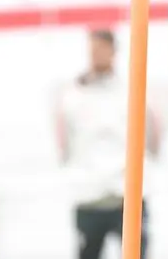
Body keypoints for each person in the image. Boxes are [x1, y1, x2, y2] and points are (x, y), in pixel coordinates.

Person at [55, 28, 161, 259]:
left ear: (114, 51)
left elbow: (153, 135)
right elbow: (63, 144)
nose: (95, 54)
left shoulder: (134, 89)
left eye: (101, 49)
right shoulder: (73, 95)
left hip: (128, 195)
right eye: (92, 50)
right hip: (89, 195)